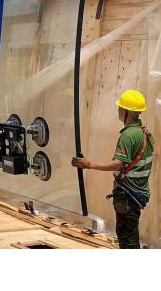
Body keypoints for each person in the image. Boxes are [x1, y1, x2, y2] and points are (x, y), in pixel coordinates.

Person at [72, 89, 154, 249]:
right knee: (130, 234)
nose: (118, 110)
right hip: (138, 193)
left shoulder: (128, 135)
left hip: (128, 195)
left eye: (120, 107)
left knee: (127, 241)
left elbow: (117, 164)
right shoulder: (145, 133)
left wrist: (88, 164)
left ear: (127, 112)